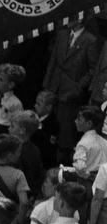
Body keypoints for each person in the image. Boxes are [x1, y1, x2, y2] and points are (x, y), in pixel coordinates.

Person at [36, 18, 101, 159]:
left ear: (81, 18)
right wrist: (47, 86)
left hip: (71, 94)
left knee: (64, 134)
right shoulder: (62, 34)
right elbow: (53, 60)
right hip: (54, 88)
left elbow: (92, 70)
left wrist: (78, 88)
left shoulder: (90, 40)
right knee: (46, 126)